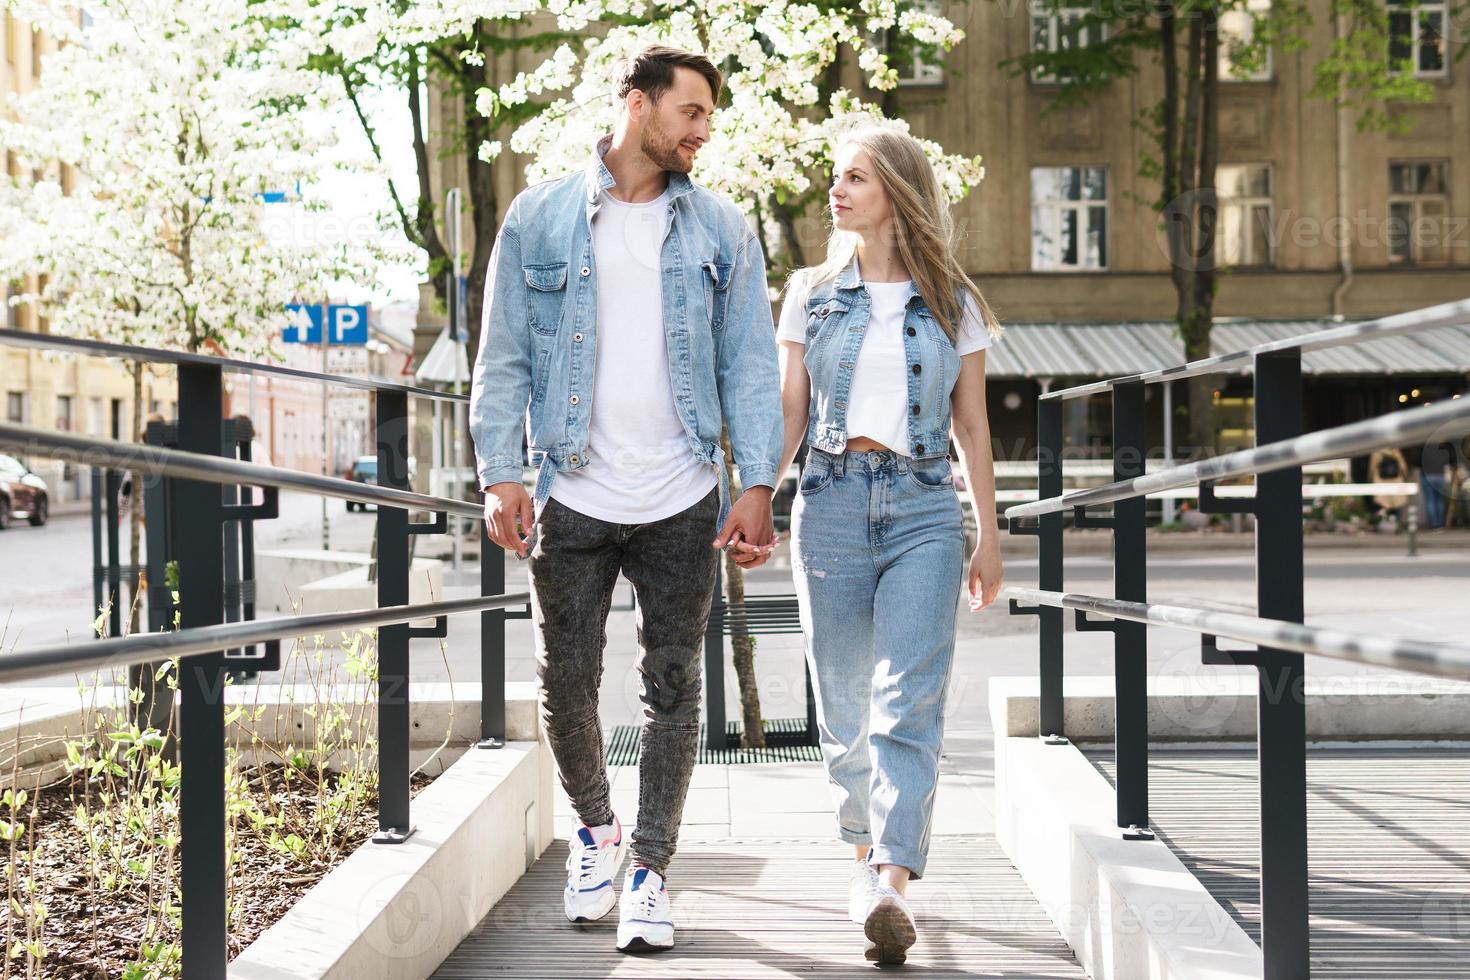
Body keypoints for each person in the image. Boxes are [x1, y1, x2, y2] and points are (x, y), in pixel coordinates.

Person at [469, 44, 783, 953]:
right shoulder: (539, 219)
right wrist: (501, 473)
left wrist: (755, 482)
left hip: (682, 490)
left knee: (673, 688)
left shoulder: (722, 230)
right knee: (563, 686)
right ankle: (596, 830)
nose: (701, 135)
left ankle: (649, 872)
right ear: (636, 104)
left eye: (709, 121)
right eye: (689, 114)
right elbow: (504, 360)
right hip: (570, 486)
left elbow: (751, 366)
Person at [773, 126, 1005, 964]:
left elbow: (972, 426)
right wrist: (757, 494)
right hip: (828, 504)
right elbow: (790, 411)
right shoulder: (809, 292)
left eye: (854, 179)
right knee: (844, 707)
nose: (835, 193)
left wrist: (988, 533)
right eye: (836, 178)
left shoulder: (954, 303)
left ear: (897, 192)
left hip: (924, 510)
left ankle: (891, 881)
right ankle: (866, 852)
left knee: (909, 698)